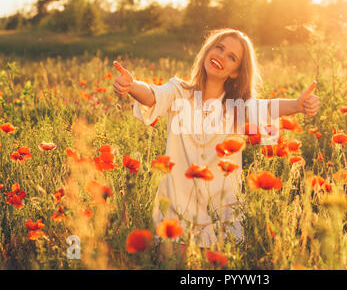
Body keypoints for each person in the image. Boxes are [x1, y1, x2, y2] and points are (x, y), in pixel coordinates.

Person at [112, 28, 319, 253]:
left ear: (235, 73)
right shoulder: (179, 91)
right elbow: (152, 95)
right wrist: (132, 86)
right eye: (219, 48)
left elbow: (267, 107)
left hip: (221, 212)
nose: (221, 56)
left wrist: (297, 105)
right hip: (176, 208)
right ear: (207, 50)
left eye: (231, 57)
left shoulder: (237, 107)